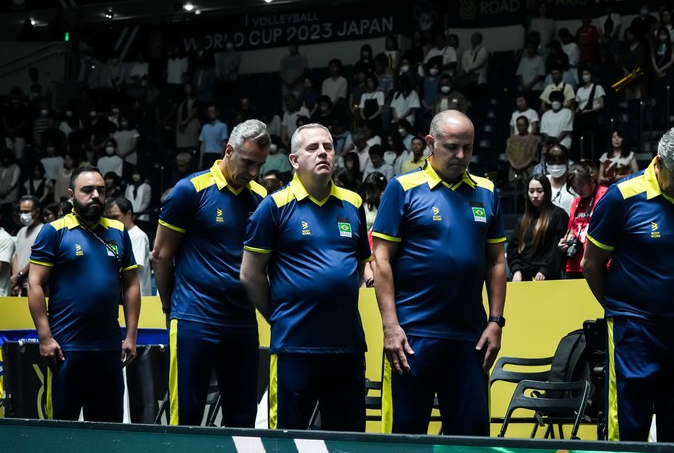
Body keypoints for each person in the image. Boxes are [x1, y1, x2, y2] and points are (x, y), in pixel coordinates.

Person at [582, 124, 674, 443]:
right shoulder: (622, 197)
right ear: (659, 162)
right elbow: (590, 264)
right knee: (629, 426)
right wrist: (621, 310)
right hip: (633, 330)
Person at [372, 110, 507, 436]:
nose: (461, 156)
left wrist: (496, 322)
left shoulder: (486, 192)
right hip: (411, 338)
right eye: (451, 147)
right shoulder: (402, 188)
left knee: (471, 443)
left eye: (468, 147)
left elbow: (497, 262)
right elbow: (381, 259)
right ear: (431, 144)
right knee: (405, 440)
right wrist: (391, 326)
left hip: (470, 339)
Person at [240, 123, 370, 431]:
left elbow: (363, 263)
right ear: (294, 160)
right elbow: (250, 274)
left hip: (347, 346)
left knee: (349, 443)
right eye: (313, 148)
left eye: (328, 146)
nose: (323, 152)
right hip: (295, 347)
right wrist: (278, 316)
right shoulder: (274, 207)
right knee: (287, 442)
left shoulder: (353, 204)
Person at [153, 119, 270, 428]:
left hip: (242, 322)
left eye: (260, 165)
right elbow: (161, 256)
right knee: (187, 416)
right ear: (228, 150)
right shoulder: (189, 191)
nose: (253, 172)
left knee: (242, 418)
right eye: (248, 163)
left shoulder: (260, 198)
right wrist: (169, 308)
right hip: (194, 318)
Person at [27, 166, 140, 422]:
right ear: (71, 194)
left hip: (109, 349)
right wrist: (45, 337)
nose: (95, 196)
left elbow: (131, 284)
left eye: (101, 190)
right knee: (63, 428)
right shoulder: (54, 231)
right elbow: (34, 284)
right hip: (66, 350)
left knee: (107, 430)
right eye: (87, 190)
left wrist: (131, 335)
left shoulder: (119, 232)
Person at [507, 177, 569, 282]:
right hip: (524, 276)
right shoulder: (523, 219)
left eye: (539, 191)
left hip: (548, 276)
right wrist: (516, 270)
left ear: (547, 192)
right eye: (531, 191)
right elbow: (512, 249)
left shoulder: (558, 215)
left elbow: (558, 249)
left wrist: (545, 270)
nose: (535, 195)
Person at [560, 161, 604, 279]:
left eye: (581, 185)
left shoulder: (606, 195)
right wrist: (566, 240)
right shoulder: (576, 202)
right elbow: (571, 230)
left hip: (598, 263)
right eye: (574, 187)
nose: (578, 190)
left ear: (592, 178)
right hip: (574, 264)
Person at [106, 197, 152, 297]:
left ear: (129, 213)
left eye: (116, 217)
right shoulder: (115, 235)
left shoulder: (138, 236)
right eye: (110, 218)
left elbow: (134, 267)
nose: (113, 221)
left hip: (138, 295)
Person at [10, 195, 44, 296]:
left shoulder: (44, 230)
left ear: (37, 212)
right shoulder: (21, 231)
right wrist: (16, 278)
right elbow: (16, 256)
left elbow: (39, 257)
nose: (22, 215)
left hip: (35, 284)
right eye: (21, 212)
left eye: (26, 212)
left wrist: (19, 275)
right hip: (20, 284)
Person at [198, 104, 229, 169]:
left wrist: (222, 156)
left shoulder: (222, 126)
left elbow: (224, 142)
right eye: (209, 112)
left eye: (212, 111)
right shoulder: (205, 127)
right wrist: (201, 160)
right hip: (206, 155)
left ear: (217, 113)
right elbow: (202, 144)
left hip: (217, 155)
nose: (210, 113)